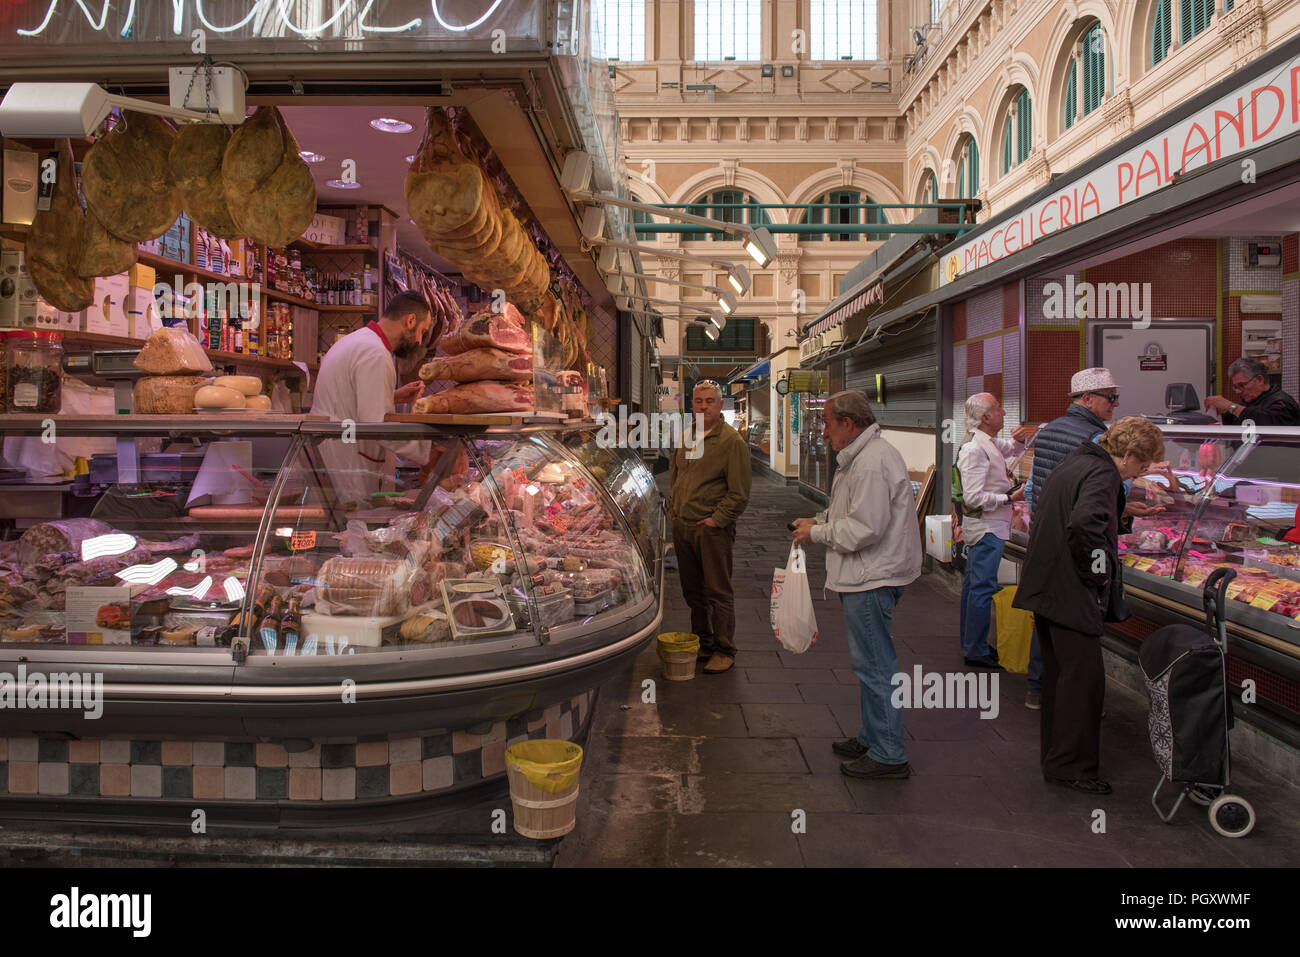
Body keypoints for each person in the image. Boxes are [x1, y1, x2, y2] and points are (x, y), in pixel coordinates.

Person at [1013, 416, 1165, 795]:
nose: (1140, 472)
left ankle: (1058, 760)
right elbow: (1084, 524)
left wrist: (1123, 512)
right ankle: (1074, 768)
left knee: (1061, 679)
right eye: (1141, 465)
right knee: (1084, 684)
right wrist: (1098, 573)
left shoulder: (1078, 460)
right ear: (1128, 453)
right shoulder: (1104, 473)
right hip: (1070, 590)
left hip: (1047, 585)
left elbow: (1076, 510)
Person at [793, 391, 922, 780]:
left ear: (849, 424)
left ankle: (888, 753)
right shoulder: (862, 457)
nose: (825, 430)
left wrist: (817, 534)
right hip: (869, 573)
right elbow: (853, 513)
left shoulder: (869, 463)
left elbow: (865, 528)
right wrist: (820, 521)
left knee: (876, 666)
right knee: (870, 663)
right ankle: (873, 736)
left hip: (871, 577)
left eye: (828, 423)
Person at [311, 290, 434, 504]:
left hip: (336, 453)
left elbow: (350, 398)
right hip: (348, 463)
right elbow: (376, 425)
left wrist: (393, 396)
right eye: (421, 332)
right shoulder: (375, 353)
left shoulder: (357, 341)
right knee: (349, 529)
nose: (419, 340)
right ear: (410, 320)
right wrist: (426, 448)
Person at [667, 380, 752, 674]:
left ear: (720, 404)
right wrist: (674, 512)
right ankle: (703, 642)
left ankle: (725, 649)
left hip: (711, 530)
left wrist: (716, 520)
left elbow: (739, 492)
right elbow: (676, 476)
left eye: (710, 401)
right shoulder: (688, 436)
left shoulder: (731, 443)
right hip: (683, 526)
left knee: (718, 592)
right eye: (698, 401)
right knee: (693, 592)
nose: (703, 406)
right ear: (692, 404)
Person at [956, 393, 1032, 669]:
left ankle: (971, 642)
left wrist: (1020, 441)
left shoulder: (986, 442)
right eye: (998, 409)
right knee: (981, 588)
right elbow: (973, 498)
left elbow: (1010, 448)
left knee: (974, 587)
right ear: (986, 417)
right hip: (987, 528)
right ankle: (975, 649)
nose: (1003, 412)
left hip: (989, 526)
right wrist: (1010, 498)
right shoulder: (974, 449)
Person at [1204, 357, 1300, 426]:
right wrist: (1217, 414)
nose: (1237, 391)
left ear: (1259, 380)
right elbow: (1238, 420)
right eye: (1235, 387)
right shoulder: (1248, 401)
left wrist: (1230, 406)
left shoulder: (1281, 402)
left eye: (1242, 385)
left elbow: (1263, 422)